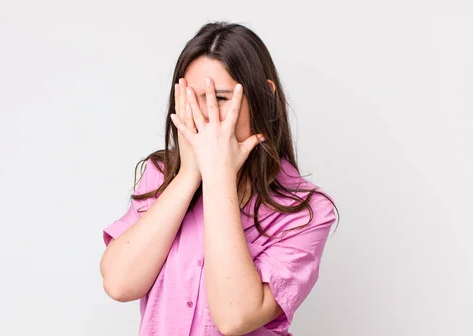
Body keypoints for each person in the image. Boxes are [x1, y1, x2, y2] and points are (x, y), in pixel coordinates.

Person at [99, 21, 339, 336]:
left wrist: (218, 176)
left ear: (263, 97)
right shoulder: (161, 176)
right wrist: (188, 174)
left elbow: (235, 317)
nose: (204, 116)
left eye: (221, 99)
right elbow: (119, 283)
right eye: (193, 99)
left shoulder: (306, 211)